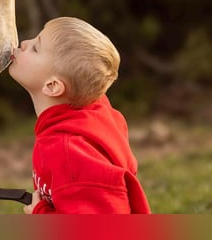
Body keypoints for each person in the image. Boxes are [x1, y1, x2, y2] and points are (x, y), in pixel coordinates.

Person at [8, 16, 150, 214]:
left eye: (35, 48)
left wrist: (40, 212)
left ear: (52, 85)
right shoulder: (91, 113)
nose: (24, 43)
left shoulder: (69, 154)